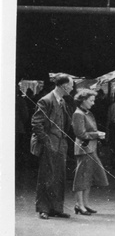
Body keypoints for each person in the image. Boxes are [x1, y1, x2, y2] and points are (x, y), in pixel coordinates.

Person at [30, 74, 74, 219]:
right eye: (71, 85)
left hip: (61, 143)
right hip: (50, 143)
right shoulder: (46, 100)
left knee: (59, 176)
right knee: (47, 176)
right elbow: (36, 123)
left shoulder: (62, 101)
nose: (72, 88)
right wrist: (46, 141)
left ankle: (56, 208)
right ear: (63, 86)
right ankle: (44, 209)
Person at [71, 89, 108, 215]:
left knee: (88, 177)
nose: (93, 103)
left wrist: (95, 135)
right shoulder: (78, 114)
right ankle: (79, 205)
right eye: (91, 100)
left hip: (90, 149)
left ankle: (84, 204)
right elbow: (80, 133)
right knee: (81, 178)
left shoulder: (85, 112)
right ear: (83, 100)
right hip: (84, 149)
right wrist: (96, 134)